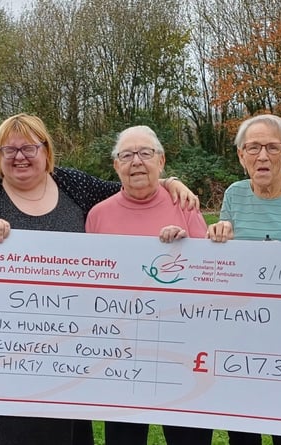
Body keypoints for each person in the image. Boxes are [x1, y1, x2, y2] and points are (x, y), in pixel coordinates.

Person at [0, 113, 199, 445]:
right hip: (7, 343)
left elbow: (132, 183)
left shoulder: (72, 184)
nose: (19, 156)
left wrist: (170, 181)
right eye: (9, 149)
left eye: (29, 147)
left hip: (69, 345)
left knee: (64, 427)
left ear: (46, 152)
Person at [85, 125, 212, 445]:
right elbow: (91, 285)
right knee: (123, 438)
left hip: (181, 349)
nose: (136, 162)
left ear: (161, 160)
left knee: (189, 438)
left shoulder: (185, 206)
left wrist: (185, 254)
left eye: (145, 153)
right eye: (126, 155)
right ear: (116, 165)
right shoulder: (98, 216)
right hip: (121, 352)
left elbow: (209, 276)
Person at [207, 114, 281, 445]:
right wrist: (219, 237)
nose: (263, 156)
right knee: (242, 432)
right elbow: (227, 261)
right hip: (240, 332)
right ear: (240, 155)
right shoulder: (234, 194)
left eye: (273, 147)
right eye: (254, 147)